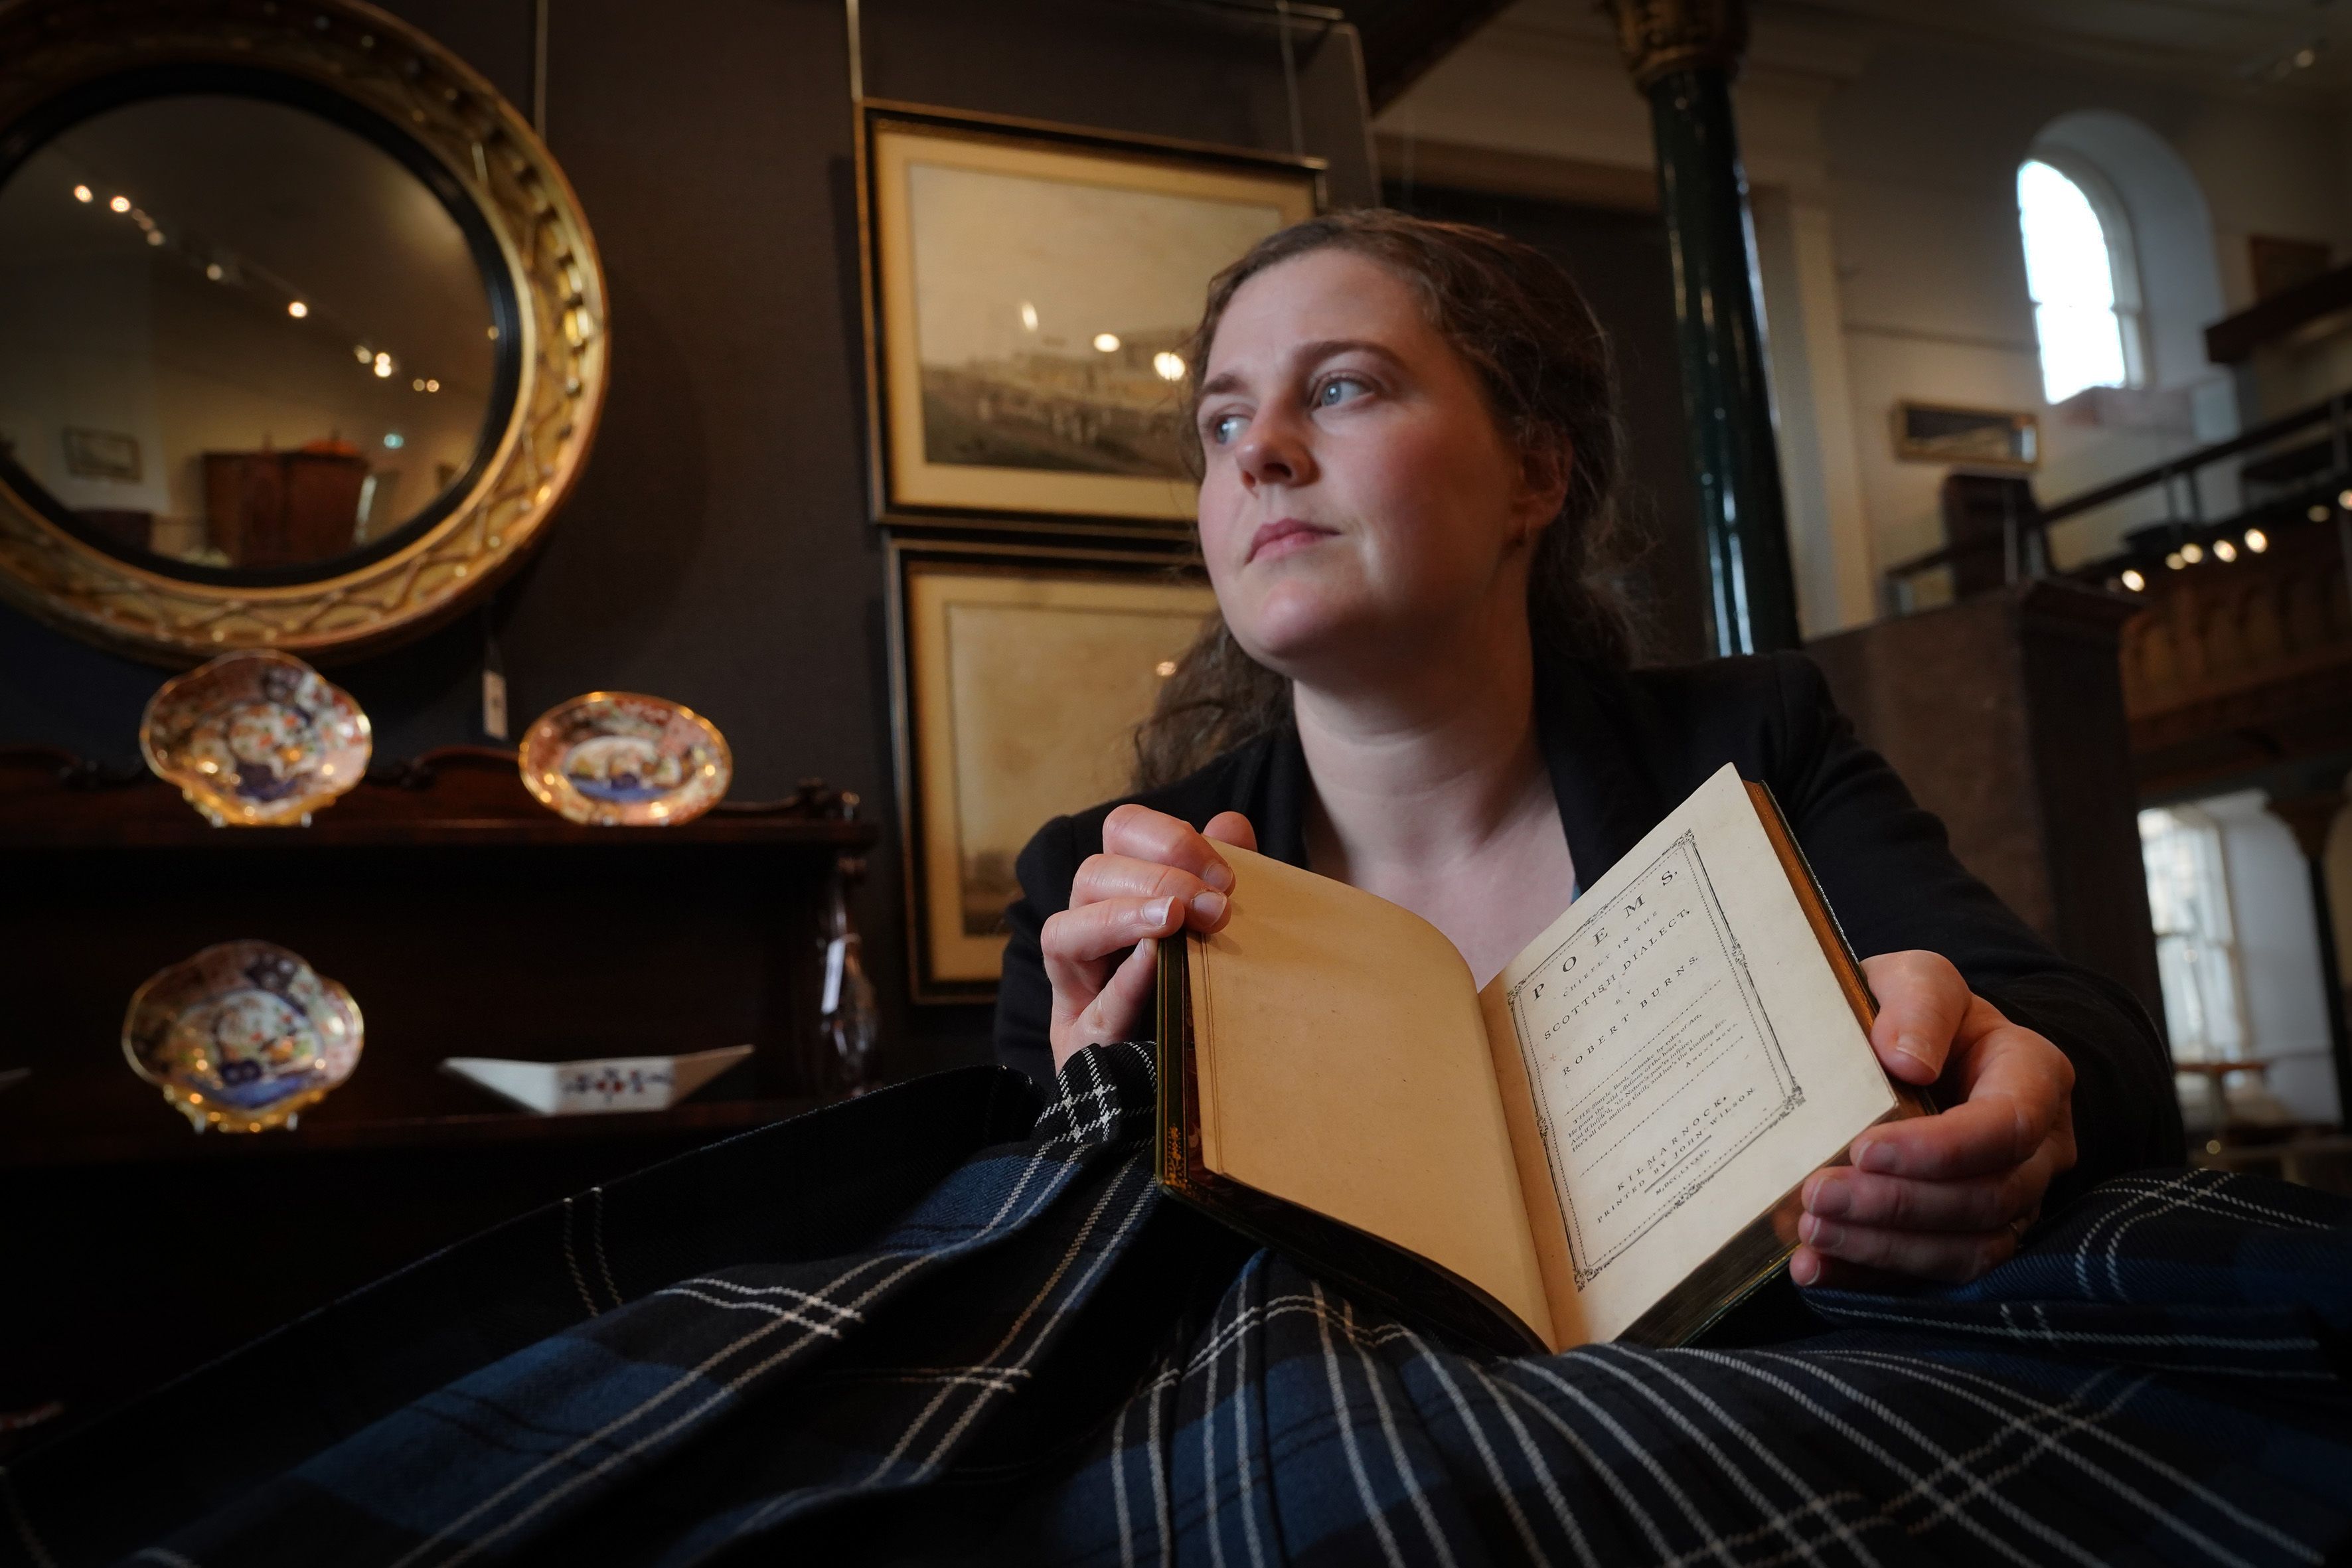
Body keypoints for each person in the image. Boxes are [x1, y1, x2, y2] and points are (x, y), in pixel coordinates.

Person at [994, 208, 2181, 1289]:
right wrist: (1093, 1123)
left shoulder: (1751, 743)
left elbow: (2088, 1032)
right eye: (1224, 420)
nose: (1261, 452)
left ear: (1536, 470)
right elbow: (1017, 1299)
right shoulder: (1083, 898)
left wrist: (2022, 1083)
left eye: (1345, 388)